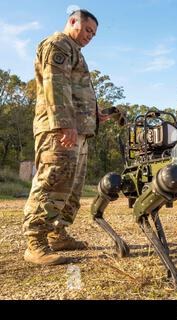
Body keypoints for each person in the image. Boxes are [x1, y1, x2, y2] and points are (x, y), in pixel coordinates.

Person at [23, 9, 108, 265]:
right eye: (87, 30)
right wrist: (63, 124)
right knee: (52, 181)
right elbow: (54, 85)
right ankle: (35, 243)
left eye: (93, 33)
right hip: (59, 130)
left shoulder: (75, 51)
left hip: (78, 130)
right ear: (73, 22)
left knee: (71, 186)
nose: (90, 36)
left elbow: (73, 90)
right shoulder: (58, 44)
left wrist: (95, 115)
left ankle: (57, 233)